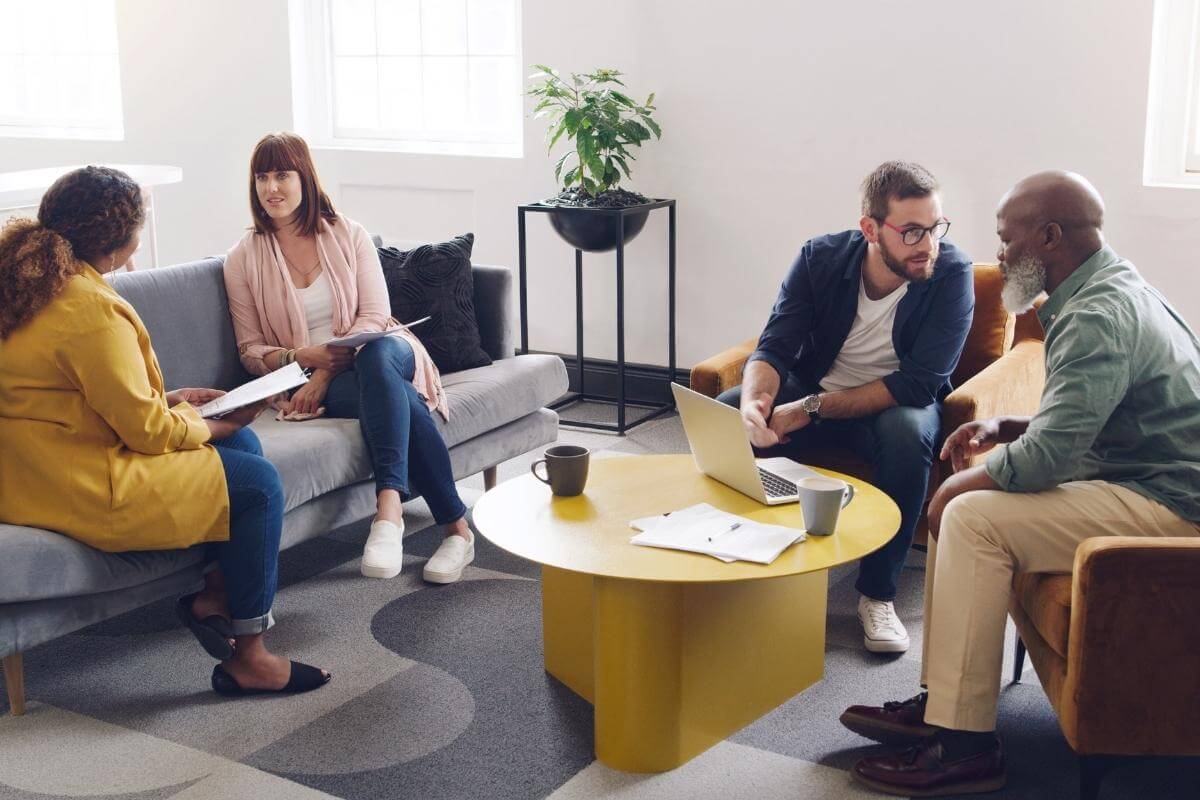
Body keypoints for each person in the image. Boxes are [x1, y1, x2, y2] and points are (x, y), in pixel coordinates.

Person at [842, 171, 1200, 796]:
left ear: (1051, 236)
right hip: (1152, 478)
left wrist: (965, 484)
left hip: (1171, 504)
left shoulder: (1096, 314)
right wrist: (1010, 426)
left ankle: (966, 747)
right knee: (971, 508)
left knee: (972, 517)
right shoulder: (1110, 283)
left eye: (1008, 239)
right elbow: (1095, 414)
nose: (1000, 252)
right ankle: (941, 708)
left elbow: (1049, 461)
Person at [0, 166, 329, 697]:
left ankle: (214, 596)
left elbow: (64, 397)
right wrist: (211, 419)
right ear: (119, 242)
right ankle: (251, 656)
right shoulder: (87, 310)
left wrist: (175, 402)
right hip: (80, 483)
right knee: (258, 486)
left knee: (242, 445)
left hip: (32, 469)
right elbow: (149, 433)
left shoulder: (26, 287)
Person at [719, 161, 974, 652]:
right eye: (912, 231)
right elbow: (773, 346)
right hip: (817, 387)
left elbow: (919, 385)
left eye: (936, 227)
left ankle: (877, 596)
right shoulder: (820, 258)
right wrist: (756, 401)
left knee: (908, 432)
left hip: (891, 404)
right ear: (871, 229)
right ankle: (742, 562)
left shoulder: (950, 274)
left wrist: (809, 408)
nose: (927, 244)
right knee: (729, 411)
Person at [223, 131, 472, 584]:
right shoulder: (243, 258)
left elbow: (375, 317)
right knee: (401, 401)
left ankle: (388, 512)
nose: (271, 188)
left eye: (283, 175)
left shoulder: (347, 233)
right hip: (325, 375)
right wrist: (303, 357)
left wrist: (322, 369)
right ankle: (456, 529)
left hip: (383, 349)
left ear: (306, 177)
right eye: (262, 177)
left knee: (378, 358)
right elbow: (250, 351)